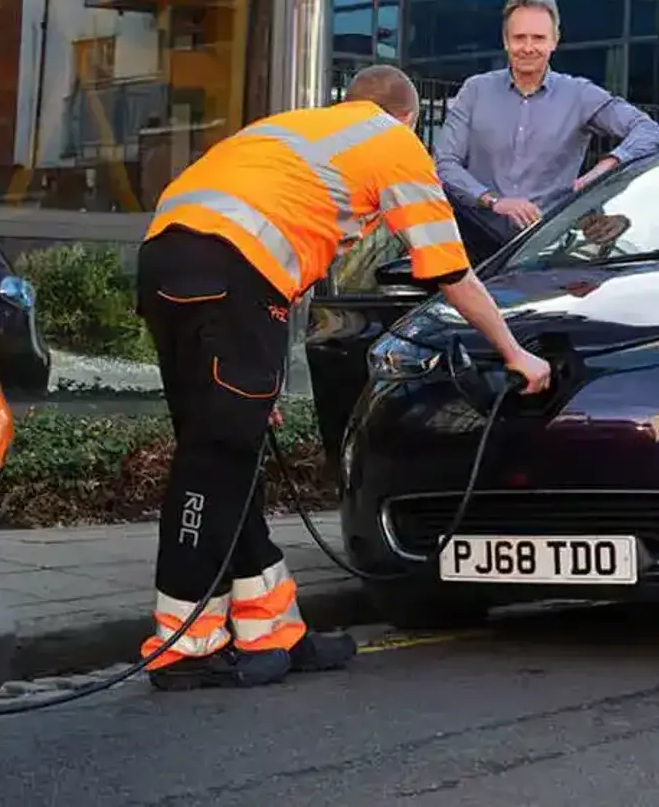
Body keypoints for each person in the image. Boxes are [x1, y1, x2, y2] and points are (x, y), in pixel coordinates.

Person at [134, 64, 552, 692]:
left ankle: (270, 628)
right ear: (406, 116)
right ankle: (180, 643)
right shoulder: (394, 143)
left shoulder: (291, 131)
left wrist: (253, 374)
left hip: (166, 266)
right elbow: (450, 272)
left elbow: (263, 226)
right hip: (231, 278)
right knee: (216, 456)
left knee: (228, 442)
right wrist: (516, 352)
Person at [434, 0, 659, 261]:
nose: (528, 47)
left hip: (547, 249)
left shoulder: (580, 94)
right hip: (473, 243)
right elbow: (445, 163)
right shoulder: (475, 90)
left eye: (538, 38)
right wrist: (493, 200)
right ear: (506, 41)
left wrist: (604, 168)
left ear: (555, 40)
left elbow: (648, 130)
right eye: (519, 38)